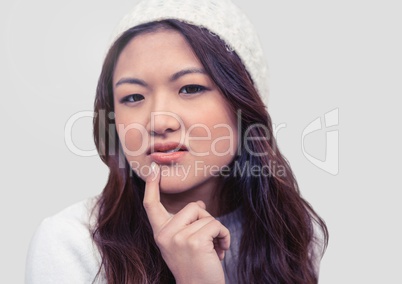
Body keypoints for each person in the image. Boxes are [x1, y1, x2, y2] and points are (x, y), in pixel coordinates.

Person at [26, 0, 328, 283]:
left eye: (190, 88)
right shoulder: (70, 243)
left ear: (245, 105)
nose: (158, 121)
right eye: (133, 97)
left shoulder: (291, 232)